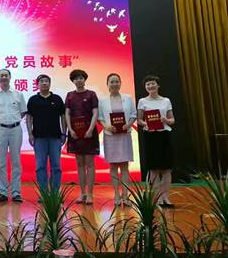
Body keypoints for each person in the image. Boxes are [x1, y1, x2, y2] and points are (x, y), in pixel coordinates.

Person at [0, 69, 27, 203]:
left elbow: (23, 112)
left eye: (6, 75)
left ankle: (16, 192)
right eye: (1, 75)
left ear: (10, 77)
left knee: (16, 161)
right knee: (1, 162)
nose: (4, 77)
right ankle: (2, 192)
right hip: (0, 129)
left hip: (15, 129)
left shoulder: (18, 94)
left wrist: (14, 120)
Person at [136, 75, 176, 207]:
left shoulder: (166, 100)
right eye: (148, 84)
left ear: (158, 85)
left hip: (164, 135)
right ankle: (157, 198)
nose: (150, 86)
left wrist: (166, 120)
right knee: (153, 169)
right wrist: (146, 124)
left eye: (153, 83)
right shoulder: (142, 101)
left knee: (166, 169)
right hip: (150, 136)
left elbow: (172, 120)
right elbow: (139, 120)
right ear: (145, 87)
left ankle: (166, 197)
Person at [98, 73, 137, 206]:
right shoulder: (102, 100)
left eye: (117, 81)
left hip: (124, 135)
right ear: (107, 84)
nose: (114, 84)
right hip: (110, 136)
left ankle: (125, 195)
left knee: (125, 166)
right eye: (112, 82)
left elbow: (133, 114)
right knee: (113, 166)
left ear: (120, 83)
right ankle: (116, 194)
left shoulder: (128, 98)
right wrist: (106, 126)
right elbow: (100, 118)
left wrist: (129, 124)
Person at [26, 74, 66, 193]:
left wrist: (64, 133)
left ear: (50, 83)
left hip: (55, 137)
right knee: (40, 166)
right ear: (37, 84)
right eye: (41, 81)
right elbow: (29, 118)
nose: (44, 83)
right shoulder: (33, 100)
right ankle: (43, 192)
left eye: (46, 81)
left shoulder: (57, 99)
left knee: (56, 166)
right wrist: (30, 134)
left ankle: (54, 193)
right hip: (39, 138)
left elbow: (63, 116)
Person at [64, 69, 99, 205]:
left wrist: (90, 129)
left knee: (89, 163)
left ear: (84, 80)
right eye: (76, 78)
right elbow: (67, 114)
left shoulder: (91, 94)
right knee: (79, 164)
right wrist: (70, 129)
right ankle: (82, 193)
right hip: (75, 133)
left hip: (89, 133)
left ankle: (90, 194)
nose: (78, 80)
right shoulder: (70, 95)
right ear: (73, 81)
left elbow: (95, 113)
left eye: (81, 78)